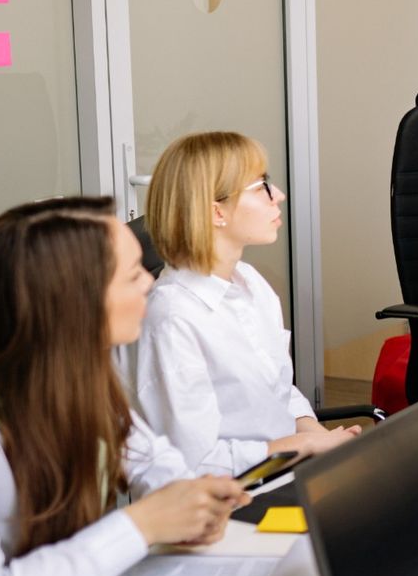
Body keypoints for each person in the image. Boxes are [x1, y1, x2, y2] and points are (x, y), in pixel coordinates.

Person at [0, 197, 250, 576]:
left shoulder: (69, 369)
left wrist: (189, 503)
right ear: (75, 301)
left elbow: (147, 455)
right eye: (133, 274)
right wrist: (143, 525)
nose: (150, 287)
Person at [136, 132, 357, 477]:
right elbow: (196, 463)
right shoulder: (172, 318)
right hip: (225, 502)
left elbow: (280, 393)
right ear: (216, 211)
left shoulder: (249, 281)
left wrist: (327, 445)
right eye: (262, 186)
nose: (279, 196)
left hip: (284, 472)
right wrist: (303, 446)